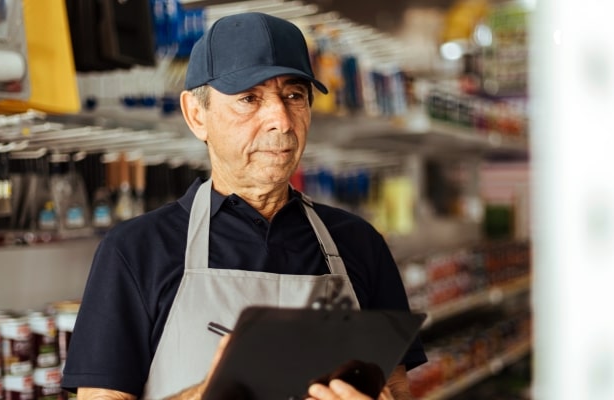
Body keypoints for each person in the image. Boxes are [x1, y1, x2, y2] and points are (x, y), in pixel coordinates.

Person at [61, 11, 427, 400]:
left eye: (293, 96)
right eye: (249, 99)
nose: (281, 121)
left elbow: (397, 387)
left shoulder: (360, 244)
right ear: (196, 115)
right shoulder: (136, 251)